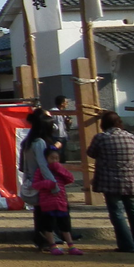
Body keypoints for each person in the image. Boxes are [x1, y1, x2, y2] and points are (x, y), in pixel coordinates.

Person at [86, 111, 134, 253]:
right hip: (131, 180)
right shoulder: (130, 136)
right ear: (119, 123)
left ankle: (127, 245)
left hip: (110, 181)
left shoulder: (101, 138)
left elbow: (91, 153)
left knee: (117, 212)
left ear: (103, 124)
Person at [32, 147, 83, 255]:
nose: (54, 161)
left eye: (57, 158)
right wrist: (47, 184)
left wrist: (59, 169)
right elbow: (35, 184)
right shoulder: (41, 171)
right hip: (47, 203)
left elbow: (70, 179)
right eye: (52, 158)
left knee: (65, 226)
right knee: (49, 226)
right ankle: (53, 246)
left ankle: (71, 245)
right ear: (46, 159)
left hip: (61, 202)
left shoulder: (60, 170)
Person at [21, 107, 59, 250]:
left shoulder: (28, 142)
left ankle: (40, 240)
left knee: (38, 213)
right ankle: (48, 240)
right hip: (42, 181)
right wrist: (53, 183)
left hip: (32, 180)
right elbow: (43, 165)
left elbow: (25, 165)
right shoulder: (40, 143)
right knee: (46, 214)